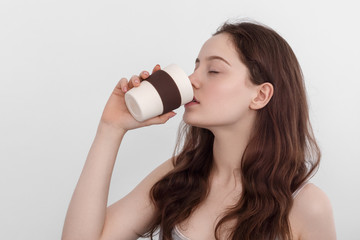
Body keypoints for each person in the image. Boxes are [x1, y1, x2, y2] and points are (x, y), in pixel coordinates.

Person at [62, 20, 336, 240]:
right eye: (196, 66)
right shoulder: (180, 175)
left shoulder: (306, 205)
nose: (192, 80)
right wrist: (111, 128)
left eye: (213, 71)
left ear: (261, 95)